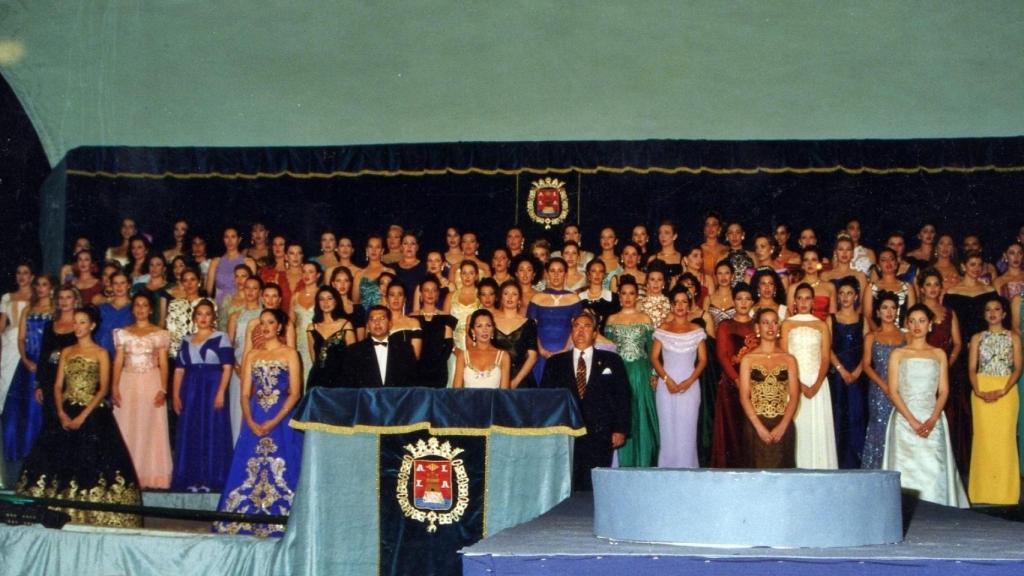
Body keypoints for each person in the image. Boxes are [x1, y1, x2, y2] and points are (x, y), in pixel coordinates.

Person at [15, 305, 142, 527]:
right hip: (65, 411)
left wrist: (83, 416)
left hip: (92, 412)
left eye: (82, 322)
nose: (77, 326)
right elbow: (57, 386)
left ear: (92, 326)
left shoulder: (101, 353)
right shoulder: (66, 351)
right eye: (75, 322)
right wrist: (61, 413)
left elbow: (103, 388)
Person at [215, 307, 304, 537]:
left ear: (279, 326)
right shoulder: (252, 355)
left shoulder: (290, 353)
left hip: (282, 417)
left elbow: (295, 392)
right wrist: (250, 420)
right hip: (255, 416)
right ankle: (245, 519)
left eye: (270, 322)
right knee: (248, 465)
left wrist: (274, 421)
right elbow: (245, 393)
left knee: (285, 465)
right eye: (262, 323)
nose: (265, 327)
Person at [882, 304, 969, 508]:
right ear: (907, 324)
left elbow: (944, 391)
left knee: (934, 467)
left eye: (921, 321)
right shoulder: (898, 354)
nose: (916, 325)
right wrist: (912, 421)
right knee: (905, 467)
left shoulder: (939, 354)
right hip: (904, 419)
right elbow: (893, 391)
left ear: (930, 325)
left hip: (932, 418)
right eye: (912, 321)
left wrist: (933, 418)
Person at [541, 309, 630, 491]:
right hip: (566, 434)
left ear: (595, 333)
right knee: (568, 485)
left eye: (587, 326)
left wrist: (620, 429)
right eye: (576, 326)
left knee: (596, 487)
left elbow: (623, 396)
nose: (581, 331)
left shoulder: (612, 361)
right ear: (571, 332)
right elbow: (546, 400)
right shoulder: (555, 363)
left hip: (601, 434)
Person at [171, 299, 234, 492]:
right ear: (194, 318)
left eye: (207, 314)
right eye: (199, 314)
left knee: (212, 430)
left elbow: (227, 368)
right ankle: (191, 479)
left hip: (212, 387)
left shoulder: (221, 337)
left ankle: (211, 479)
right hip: (190, 390)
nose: (203, 318)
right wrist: (175, 395)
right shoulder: (186, 340)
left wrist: (221, 392)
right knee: (191, 431)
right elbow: (179, 370)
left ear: (213, 317)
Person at [943, 250, 996, 480]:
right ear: (963, 266)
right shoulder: (952, 293)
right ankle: (962, 460)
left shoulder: (989, 291)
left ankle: (985, 460)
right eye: (972, 264)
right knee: (961, 404)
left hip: (986, 354)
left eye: (979, 264)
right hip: (961, 354)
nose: (976, 268)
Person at [111, 292, 172, 489]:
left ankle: (149, 474)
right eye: (137, 305)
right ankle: (126, 474)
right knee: (126, 425)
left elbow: (163, 363)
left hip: (151, 381)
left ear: (151, 309)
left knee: (150, 426)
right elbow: (118, 361)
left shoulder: (160, 333)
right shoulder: (123, 333)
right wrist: (114, 386)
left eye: (145, 305)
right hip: (127, 381)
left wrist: (163, 389)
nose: (141, 309)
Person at [967, 295, 1020, 505]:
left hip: (1007, 389)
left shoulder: (1013, 337)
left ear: (1004, 313)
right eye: (988, 309)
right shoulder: (977, 338)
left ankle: (1006, 494)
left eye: (997, 309)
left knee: (1005, 441)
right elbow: (972, 368)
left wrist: (1004, 389)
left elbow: (1018, 368)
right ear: (984, 314)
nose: (992, 313)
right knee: (984, 440)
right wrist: (979, 391)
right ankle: (981, 492)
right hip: (982, 387)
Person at [782, 282, 837, 469]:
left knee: (816, 427)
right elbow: (785, 357)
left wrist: (817, 383)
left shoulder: (821, 325)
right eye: (800, 298)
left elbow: (825, 357)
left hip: (817, 381)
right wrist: (798, 383)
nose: (803, 302)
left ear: (813, 301)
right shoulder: (787, 324)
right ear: (795, 301)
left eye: (807, 298)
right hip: (794, 381)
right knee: (798, 425)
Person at [651, 286, 708, 468]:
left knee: (687, 430)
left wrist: (689, 382)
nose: (680, 305)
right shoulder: (663, 328)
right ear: (671, 305)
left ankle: (688, 472)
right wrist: (667, 380)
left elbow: (703, 360)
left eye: (684, 302)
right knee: (667, 430)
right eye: (676, 302)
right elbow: (654, 358)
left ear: (689, 305)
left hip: (690, 385)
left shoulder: (697, 330)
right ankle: (666, 473)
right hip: (666, 384)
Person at [604, 275, 657, 467]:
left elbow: (652, 350)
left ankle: (643, 462)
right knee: (621, 412)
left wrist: (654, 374)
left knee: (641, 414)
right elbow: (609, 351)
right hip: (620, 373)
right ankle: (623, 463)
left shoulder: (645, 319)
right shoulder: (612, 319)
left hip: (641, 372)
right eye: (624, 293)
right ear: (619, 296)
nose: (627, 297)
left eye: (631, 293)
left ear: (637, 296)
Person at [738, 308, 800, 468]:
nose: (770, 327)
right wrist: (759, 428)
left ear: (778, 326)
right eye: (765, 323)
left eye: (774, 322)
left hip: (782, 424)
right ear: (757, 328)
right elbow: (744, 397)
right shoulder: (748, 359)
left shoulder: (789, 359)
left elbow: (794, 396)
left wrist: (783, 426)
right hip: (755, 425)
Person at [3, 274, 53, 461]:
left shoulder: (55, 310)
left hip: (47, 364)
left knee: (39, 407)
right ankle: (22, 450)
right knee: (21, 408)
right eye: (38, 285)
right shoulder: (28, 309)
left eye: (44, 284)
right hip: (28, 364)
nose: (40, 288)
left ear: (51, 288)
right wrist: (25, 359)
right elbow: (21, 338)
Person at [711, 282, 756, 468]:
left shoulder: (757, 325)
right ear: (733, 302)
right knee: (731, 431)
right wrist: (737, 381)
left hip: (755, 384)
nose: (743, 303)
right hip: (731, 384)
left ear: (752, 302)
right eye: (739, 299)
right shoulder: (725, 325)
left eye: (747, 299)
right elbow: (722, 356)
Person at [860, 291, 905, 469]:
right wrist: (884, 386)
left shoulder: (905, 336)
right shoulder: (871, 337)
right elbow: (866, 365)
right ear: (878, 312)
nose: (889, 312)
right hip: (879, 390)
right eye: (885, 308)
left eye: (893, 308)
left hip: (901, 389)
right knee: (879, 428)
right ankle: (876, 470)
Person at [828, 276, 868, 468]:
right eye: (842, 293)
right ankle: (838, 462)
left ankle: (856, 463)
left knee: (856, 415)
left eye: (849, 293)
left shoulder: (863, 320)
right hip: (837, 375)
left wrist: (858, 371)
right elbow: (827, 348)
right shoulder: (831, 319)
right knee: (838, 415)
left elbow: (868, 350)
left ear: (856, 296)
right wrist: (841, 370)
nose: (845, 297)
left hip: (858, 376)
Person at [528, 258, 582, 384]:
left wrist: (565, 350)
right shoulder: (536, 298)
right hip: (541, 354)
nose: (556, 275)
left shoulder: (575, 299)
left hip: (566, 353)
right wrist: (541, 350)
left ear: (566, 274)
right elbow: (531, 328)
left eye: (560, 271)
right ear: (547, 274)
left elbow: (578, 327)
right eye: (552, 271)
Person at [342, 306, 418, 388]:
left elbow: (412, 382)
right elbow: (350, 384)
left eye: (382, 319)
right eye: (372, 319)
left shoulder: (405, 349)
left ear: (390, 324)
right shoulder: (354, 350)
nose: (377, 323)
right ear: (367, 326)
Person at [227, 276, 263, 443]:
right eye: (248, 287)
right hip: (239, 367)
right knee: (238, 406)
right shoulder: (236, 316)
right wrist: (236, 365)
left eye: (254, 288)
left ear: (260, 292)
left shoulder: (264, 315)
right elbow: (229, 345)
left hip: (259, 364)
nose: (250, 291)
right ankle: (238, 445)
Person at [307, 286, 356, 389]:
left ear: (336, 301)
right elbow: (314, 359)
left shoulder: (346, 325)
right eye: (321, 299)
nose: (326, 302)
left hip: (342, 379)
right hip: (318, 380)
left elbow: (353, 357)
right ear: (318, 303)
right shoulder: (312, 328)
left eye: (329, 298)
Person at [412, 276, 457, 388]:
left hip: (439, 370)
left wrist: (436, 366)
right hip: (416, 370)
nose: (430, 293)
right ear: (420, 294)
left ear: (438, 294)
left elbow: (448, 346)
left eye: (434, 290)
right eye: (426, 290)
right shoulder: (411, 318)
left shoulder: (446, 317)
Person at [492, 281, 538, 389]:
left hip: (521, 378)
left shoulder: (529, 323)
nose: (510, 297)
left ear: (519, 300)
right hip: (495, 377)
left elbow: (532, 356)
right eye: (506, 293)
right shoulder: (491, 322)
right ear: (501, 298)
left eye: (514, 294)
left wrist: (516, 381)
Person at [0, 262, 33, 412]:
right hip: (10, 341)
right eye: (19, 272)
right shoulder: (7, 297)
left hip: (28, 340)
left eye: (25, 273)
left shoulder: (37, 297)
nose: (21, 276)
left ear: (32, 277)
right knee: (5, 377)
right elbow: (2, 324)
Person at [453, 309, 510, 389]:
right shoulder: (463, 356)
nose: (484, 330)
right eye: (479, 326)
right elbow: (456, 391)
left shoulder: (503, 356)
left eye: (488, 325)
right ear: (473, 331)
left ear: (493, 330)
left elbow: (504, 393)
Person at [863, 247, 917, 330]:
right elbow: (868, 316)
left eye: (891, 259)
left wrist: (904, 333)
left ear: (896, 264)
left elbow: (911, 315)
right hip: (878, 333)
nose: (888, 262)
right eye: (883, 260)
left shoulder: (908, 287)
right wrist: (880, 333)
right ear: (878, 266)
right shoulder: (871, 288)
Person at [205, 226, 257, 309]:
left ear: (239, 239)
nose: (230, 241)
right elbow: (208, 291)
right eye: (226, 237)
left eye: (233, 237)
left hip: (241, 306)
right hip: (219, 306)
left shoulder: (248, 262)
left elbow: (253, 289)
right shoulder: (215, 262)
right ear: (223, 239)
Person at [786, 246, 836, 321]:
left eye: (814, 260)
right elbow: (789, 318)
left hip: (824, 327)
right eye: (806, 260)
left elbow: (833, 318)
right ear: (802, 264)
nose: (810, 263)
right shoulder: (793, 288)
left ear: (819, 263)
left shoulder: (830, 287)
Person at [292, 261, 322, 382]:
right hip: (299, 341)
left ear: (318, 275)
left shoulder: (323, 295)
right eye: (304, 271)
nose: (306, 275)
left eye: (311, 272)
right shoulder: (295, 296)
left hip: (316, 340)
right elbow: (291, 324)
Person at [95, 272, 133, 360]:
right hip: (103, 357)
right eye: (115, 283)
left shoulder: (135, 309)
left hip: (127, 357)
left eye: (122, 283)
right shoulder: (101, 309)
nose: (119, 286)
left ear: (129, 285)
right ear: (111, 286)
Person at [577, 259, 619, 333]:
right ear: (588, 275)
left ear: (604, 275)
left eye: (601, 271)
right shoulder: (579, 298)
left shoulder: (613, 298)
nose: (597, 274)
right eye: (593, 271)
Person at [354, 235, 395, 308]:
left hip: (384, 312)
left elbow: (394, 297)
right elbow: (355, 302)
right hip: (364, 314)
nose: (374, 250)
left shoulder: (389, 272)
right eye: (371, 247)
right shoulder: (359, 274)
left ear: (382, 251)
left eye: (377, 247)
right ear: (367, 250)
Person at [394, 232, 426, 310]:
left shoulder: (425, 267)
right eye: (405, 243)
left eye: (412, 244)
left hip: (419, 311)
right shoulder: (392, 268)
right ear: (401, 247)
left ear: (417, 247)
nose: (409, 247)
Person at [639, 264, 671, 329]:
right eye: (652, 279)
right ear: (647, 282)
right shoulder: (639, 304)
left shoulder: (670, 303)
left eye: (659, 279)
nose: (656, 283)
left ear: (664, 283)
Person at [700, 212, 729, 279]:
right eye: (707, 225)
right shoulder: (698, 250)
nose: (710, 228)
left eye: (714, 225)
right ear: (704, 229)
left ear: (719, 229)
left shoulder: (727, 250)